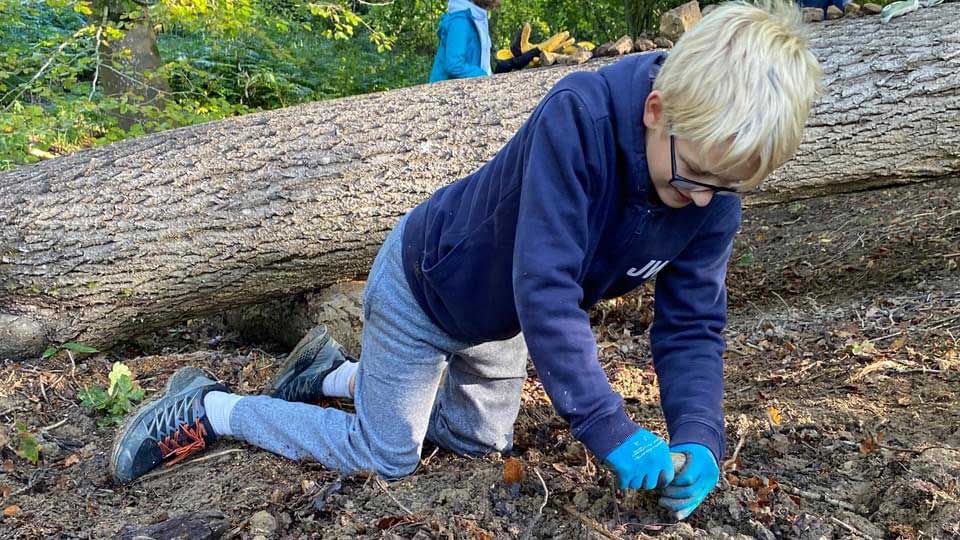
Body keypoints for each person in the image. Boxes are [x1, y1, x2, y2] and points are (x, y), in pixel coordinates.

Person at [110, 0, 822, 521]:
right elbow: (546, 289)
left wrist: (697, 437)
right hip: (426, 287)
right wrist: (610, 427)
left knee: (479, 440)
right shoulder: (582, 117)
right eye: (694, 177)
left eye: (723, 189)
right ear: (656, 111)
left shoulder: (713, 187)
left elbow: (693, 324)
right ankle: (213, 407)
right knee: (386, 454)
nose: (701, 203)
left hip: (499, 316)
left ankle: (328, 376)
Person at [428, 0, 500, 82]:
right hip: (446, 91)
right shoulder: (460, 21)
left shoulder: (477, 17)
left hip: (466, 87)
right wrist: (484, 75)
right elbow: (454, 66)